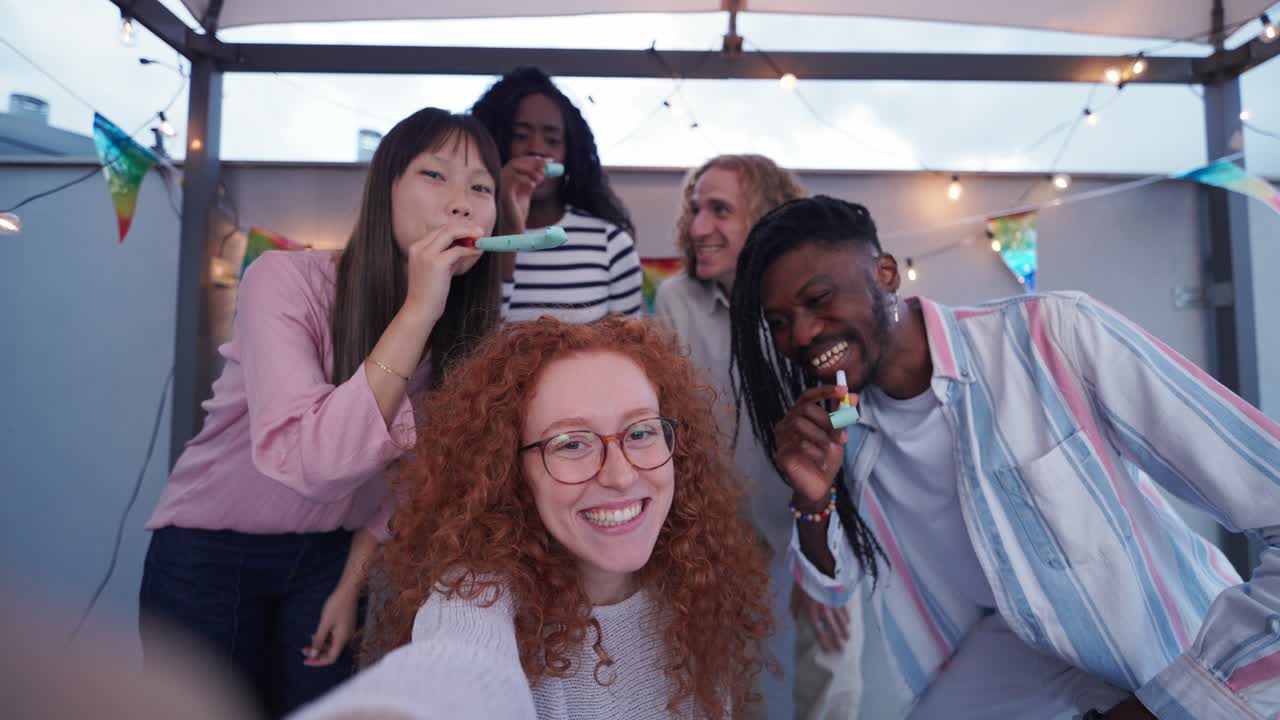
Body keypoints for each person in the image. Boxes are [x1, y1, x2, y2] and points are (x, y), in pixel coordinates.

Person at [729, 195, 1280, 719]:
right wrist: (813, 496)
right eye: (778, 322)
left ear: (886, 274)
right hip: (1003, 677)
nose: (799, 334)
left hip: (1179, 669)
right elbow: (834, 588)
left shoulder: (1051, 337)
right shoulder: (845, 428)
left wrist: (1177, 703)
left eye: (819, 298)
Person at [139, 107, 506, 719]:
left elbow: (405, 484)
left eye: (481, 188)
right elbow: (312, 464)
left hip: (327, 561)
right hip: (208, 553)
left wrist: (348, 584)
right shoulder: (281, 280)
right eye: (435, 176)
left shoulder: (463, 334)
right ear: (385, 188)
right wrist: (416, 312)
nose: (462, 203)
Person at [289, 317, 773, 720]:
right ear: (510, 473)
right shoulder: (478, 596)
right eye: (571, 444)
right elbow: (455, 669)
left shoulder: (693, 578)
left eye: (642, 431)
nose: (622, 476)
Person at [654, 154, 839, 718]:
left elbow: (850, 413)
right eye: (695, 209)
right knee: (726, 687)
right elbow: (669, 427)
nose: (699, 226)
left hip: (810, 523)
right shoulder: (676, 301)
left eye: (719, 210)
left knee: (823, 678)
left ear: (764, 217)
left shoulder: (811, 302)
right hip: (714, 533)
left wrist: (833, 555)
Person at [471, 66, 644, 322]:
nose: (537, 149)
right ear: (494, 143)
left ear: (570, 153)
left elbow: (631, 353)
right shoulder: (468, 239)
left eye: (552, 141)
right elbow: (471, 345)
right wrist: (508, 233)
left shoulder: (610, 244)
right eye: (520, 136)